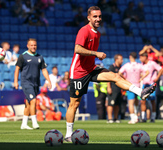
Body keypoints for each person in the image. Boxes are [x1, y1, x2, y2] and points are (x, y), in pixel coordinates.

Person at [64, 6, 156, 142]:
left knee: (115, 76)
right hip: (78, 72)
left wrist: (95, 58)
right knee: (74, 104)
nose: (98, 19)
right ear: (89, 17)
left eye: (99, 16)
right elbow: (77, 49)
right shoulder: (84, 31)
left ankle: (140, 92)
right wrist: (96, 53)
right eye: (95, 16)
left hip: (91, 68)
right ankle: (68, 135)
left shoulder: (98, 33)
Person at [14, 38, 52, 130]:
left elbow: (44, 70)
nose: (33, 47)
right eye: (31, 45)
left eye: (35, 45)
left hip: (36, 83)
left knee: (28, 103)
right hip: (26, 82)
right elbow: (17, 69)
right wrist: (15, 81)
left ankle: (24, 124)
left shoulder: (40, 57)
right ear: (28, 46)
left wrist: (49, 80)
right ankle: (35, 122)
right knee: (33, 101)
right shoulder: (23, 56)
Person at [119, 52, 149, 124]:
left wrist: (125, 78)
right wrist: (141, 78)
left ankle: (133, 118)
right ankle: (137, 117)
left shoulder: (127, 65)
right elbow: (147, 72)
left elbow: (119, 73)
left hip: (130, 86)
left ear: (130, 57)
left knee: (131, 103)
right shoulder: (139, 65)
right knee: (137, 102)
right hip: (138, 86)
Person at [139, 53, 163, 123]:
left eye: (141, 57)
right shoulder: (141, 65)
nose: (140, 59)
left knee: (152, 101)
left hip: (151, 84)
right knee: (143, 101)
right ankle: (143, 118)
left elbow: (161, 69)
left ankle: (153, 117)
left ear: (145, 57)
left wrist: (157, 78)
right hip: (144, 84)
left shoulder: (152, 63)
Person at [107, 54, 123, 123]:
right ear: (116, 59)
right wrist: (109, 87)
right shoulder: (112, 67)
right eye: (121, 59)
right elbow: (108, 78)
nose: (122, 61)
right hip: (113, 88)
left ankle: (116, 118)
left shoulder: (121, 68)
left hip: (119, 89)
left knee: (117, 104)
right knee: (111, 103)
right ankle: (110, 118)